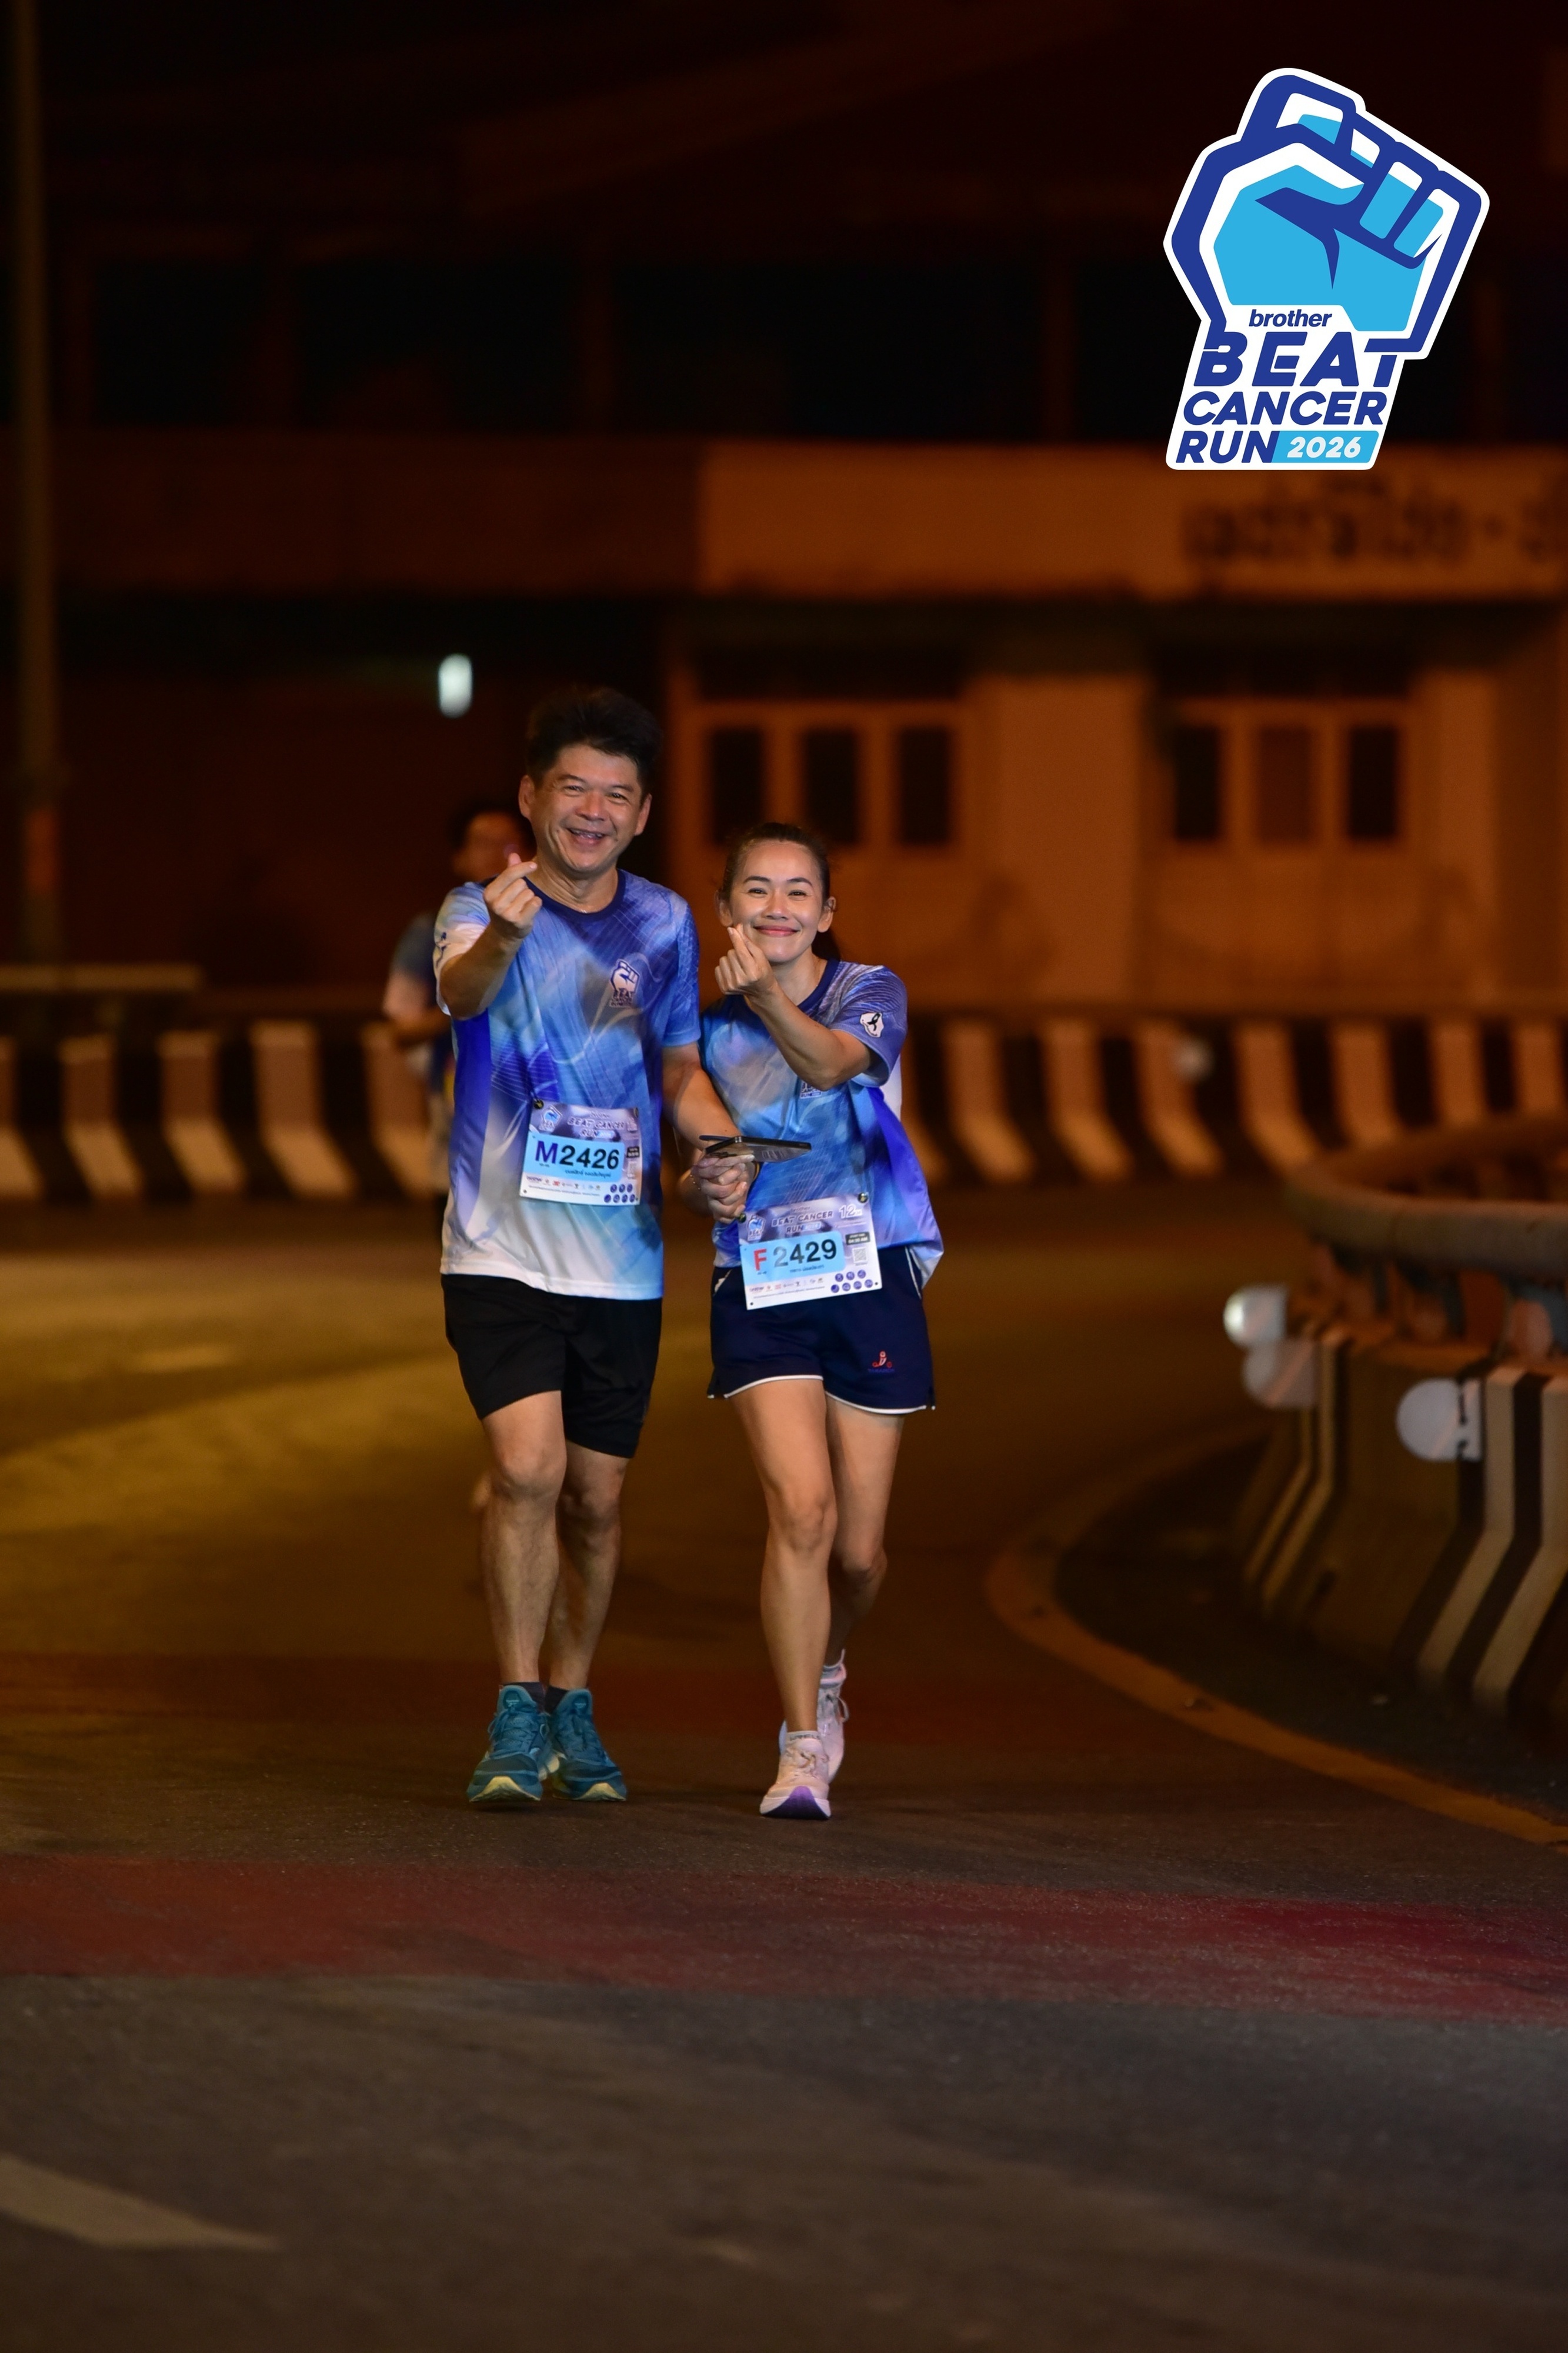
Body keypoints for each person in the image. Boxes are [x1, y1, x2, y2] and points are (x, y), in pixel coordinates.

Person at [436, 687, 740, 1808]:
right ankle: (515, 1707)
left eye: (617, 794)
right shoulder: (478, 908)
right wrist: (507, 934)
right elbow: (460, 990)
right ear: (533, 796)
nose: (594, 810)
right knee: (529, 1469)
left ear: (643, 812)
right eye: (574, 788)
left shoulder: (664, 926)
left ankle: (572, 1698)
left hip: (620, 1261)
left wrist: (716, 1143)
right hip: (498, 1251)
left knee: (596, 1505)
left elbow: (679, 1066)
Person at [680, 821, 942, 1820]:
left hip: (868, 1274)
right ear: (726, 909)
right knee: (800, 1512)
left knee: (858, 1557)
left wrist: (762, 998)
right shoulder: (704, 1029)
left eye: (798, 892)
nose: (777, 908)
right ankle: (799, 1748)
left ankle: (830, 1664)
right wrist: (702, 1184)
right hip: (759, 1280)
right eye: (757, 890)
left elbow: (833, 1067)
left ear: (827, 912)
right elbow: (691, 1154)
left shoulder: (870, 990)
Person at [383, 802, 529, 1198]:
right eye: (484, 843)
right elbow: (402, 1030)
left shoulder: (548, 924)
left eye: (510, 843)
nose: (499, 854)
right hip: (458, 1091)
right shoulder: (429, 931)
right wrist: (468, 995)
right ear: (460, 858)